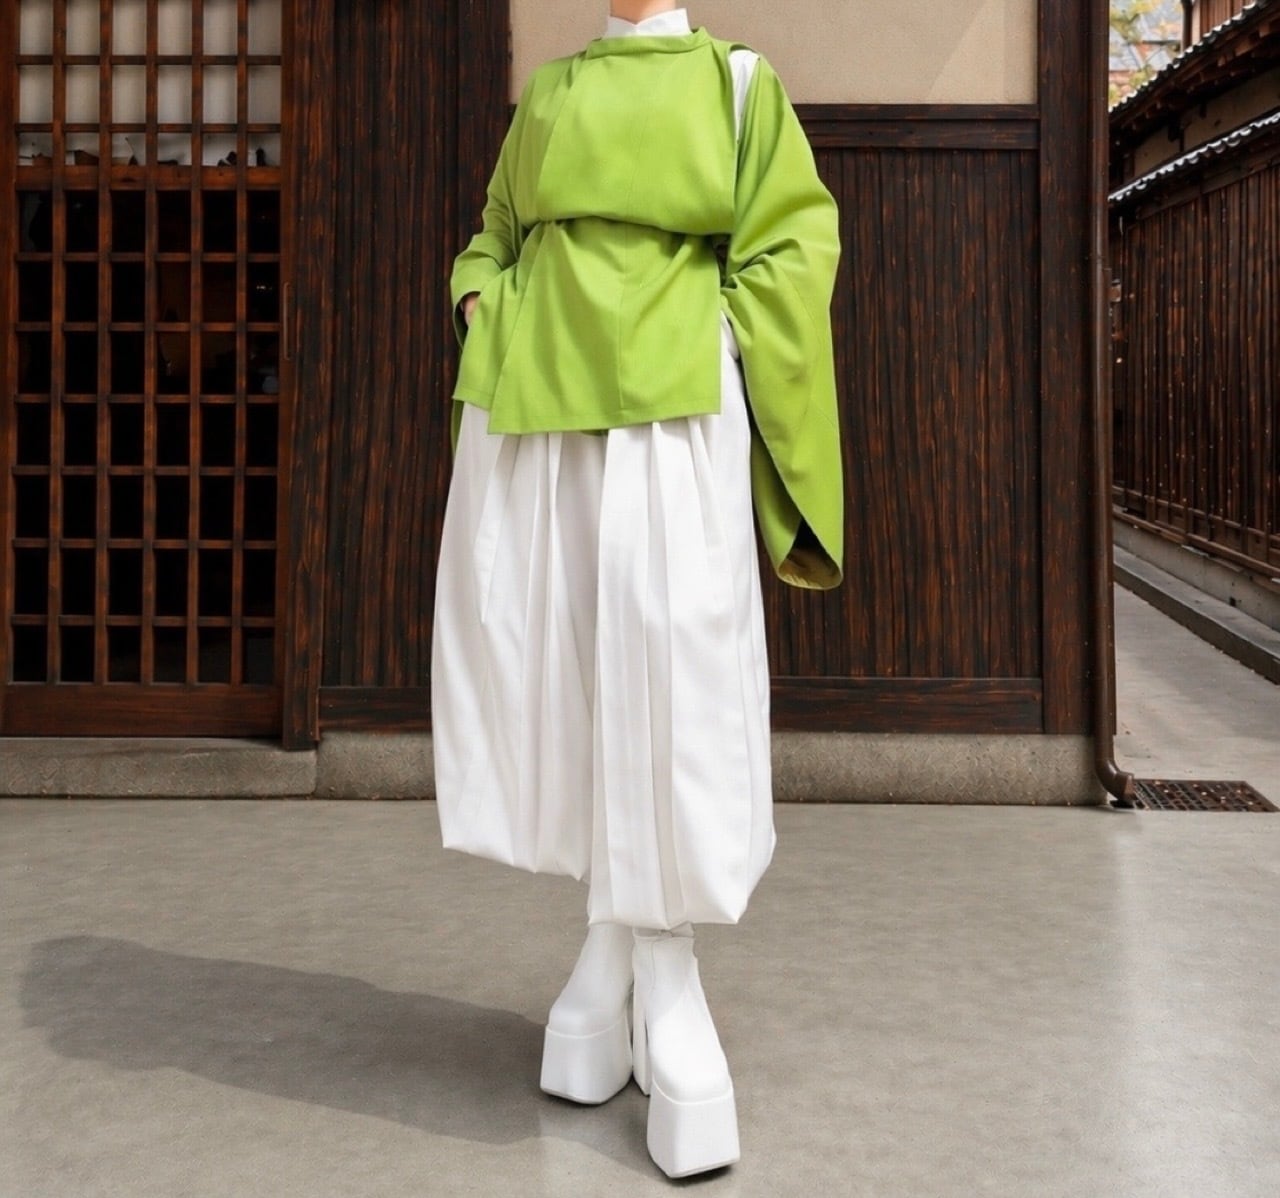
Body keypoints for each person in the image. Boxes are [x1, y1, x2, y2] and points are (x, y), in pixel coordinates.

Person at [432, 1, 843, 1178]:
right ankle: (619, 961)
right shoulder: (550, 94)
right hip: (539, 408)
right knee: (564, 663)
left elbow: (791, 246)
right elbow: (492, 235)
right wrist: (482, 301)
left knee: (673, 667)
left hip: (675, 410)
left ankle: (653, 967)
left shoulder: (737, 86)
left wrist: (712, 329)